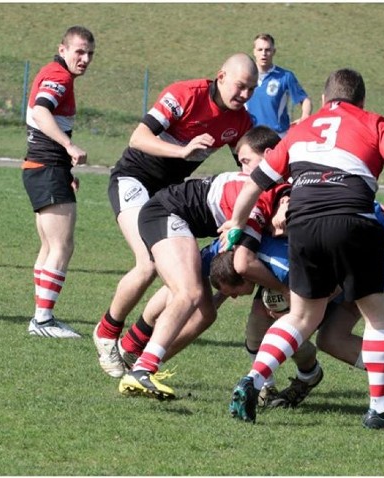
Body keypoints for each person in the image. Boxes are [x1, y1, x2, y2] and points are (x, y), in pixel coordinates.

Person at [220, 68, 384, 433]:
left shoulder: (301, 128)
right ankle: (381, 411)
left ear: (326, 96)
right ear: (360, 99)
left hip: (303, 225)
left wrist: (236, 223)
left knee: (301, 318)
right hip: (353, 220)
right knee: (380, 320)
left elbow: (256, 183)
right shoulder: (373, 122)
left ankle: (253, 379)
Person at [92, 54, 257, 377]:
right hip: (133, 179)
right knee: (149, 263)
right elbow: (137, 137)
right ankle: (107, 332)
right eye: (240, 86)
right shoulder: (185, 94)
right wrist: (181, 151)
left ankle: (134, 346)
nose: (245, 95)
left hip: (168, 198)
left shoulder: (240, 122)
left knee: (185, 277)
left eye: (252, 89)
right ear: (220, 76)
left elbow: (248, 166)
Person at [116, 152, 290, 400]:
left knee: (204, 311)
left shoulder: (277, 201)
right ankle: (140, 363)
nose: (280, 230)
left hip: (175, 215)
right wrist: (285, 290)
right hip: (165, 212)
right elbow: (243, 263)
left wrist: (222, 294)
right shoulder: (257, 210)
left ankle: (139, 361)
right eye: (283, 223)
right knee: (187, 292)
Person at [21, 26, 95, 338]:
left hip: (44, 168)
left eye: (90, 53)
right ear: (62, 49)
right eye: (79, 51)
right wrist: (68, 147)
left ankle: (40, 317)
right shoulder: (59, 76)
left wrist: (65, 171)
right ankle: (43, 320)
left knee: (51, 244)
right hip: (47, 167)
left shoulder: (54, 72)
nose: (85, 58)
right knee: (62, 245)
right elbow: (41, 111)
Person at [246, 33, 311, 137]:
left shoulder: (285, 76)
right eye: (260, 50)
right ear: (254, 52)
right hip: (250, 136)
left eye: (267, 50)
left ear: (273, 52)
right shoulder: (245, 76)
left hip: (277, 136)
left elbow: (305, 100)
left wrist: (305, 116)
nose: (264, 53)